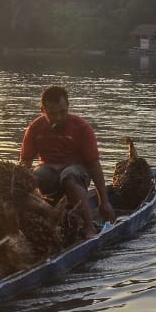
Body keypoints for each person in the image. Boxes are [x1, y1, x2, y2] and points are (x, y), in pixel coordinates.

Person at [19, 85, 117, 237]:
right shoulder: (35, 128)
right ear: (43, 110)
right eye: (52, 114)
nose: (58, 118)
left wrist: (104, 202)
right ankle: (34, 223)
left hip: (76, 171)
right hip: (49, 171)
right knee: (33, 177)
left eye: (63, 112)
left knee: (69, 176)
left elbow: (94, 165)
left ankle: (89, 227)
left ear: (68, 107)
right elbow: (25, 164)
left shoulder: (82, 128)